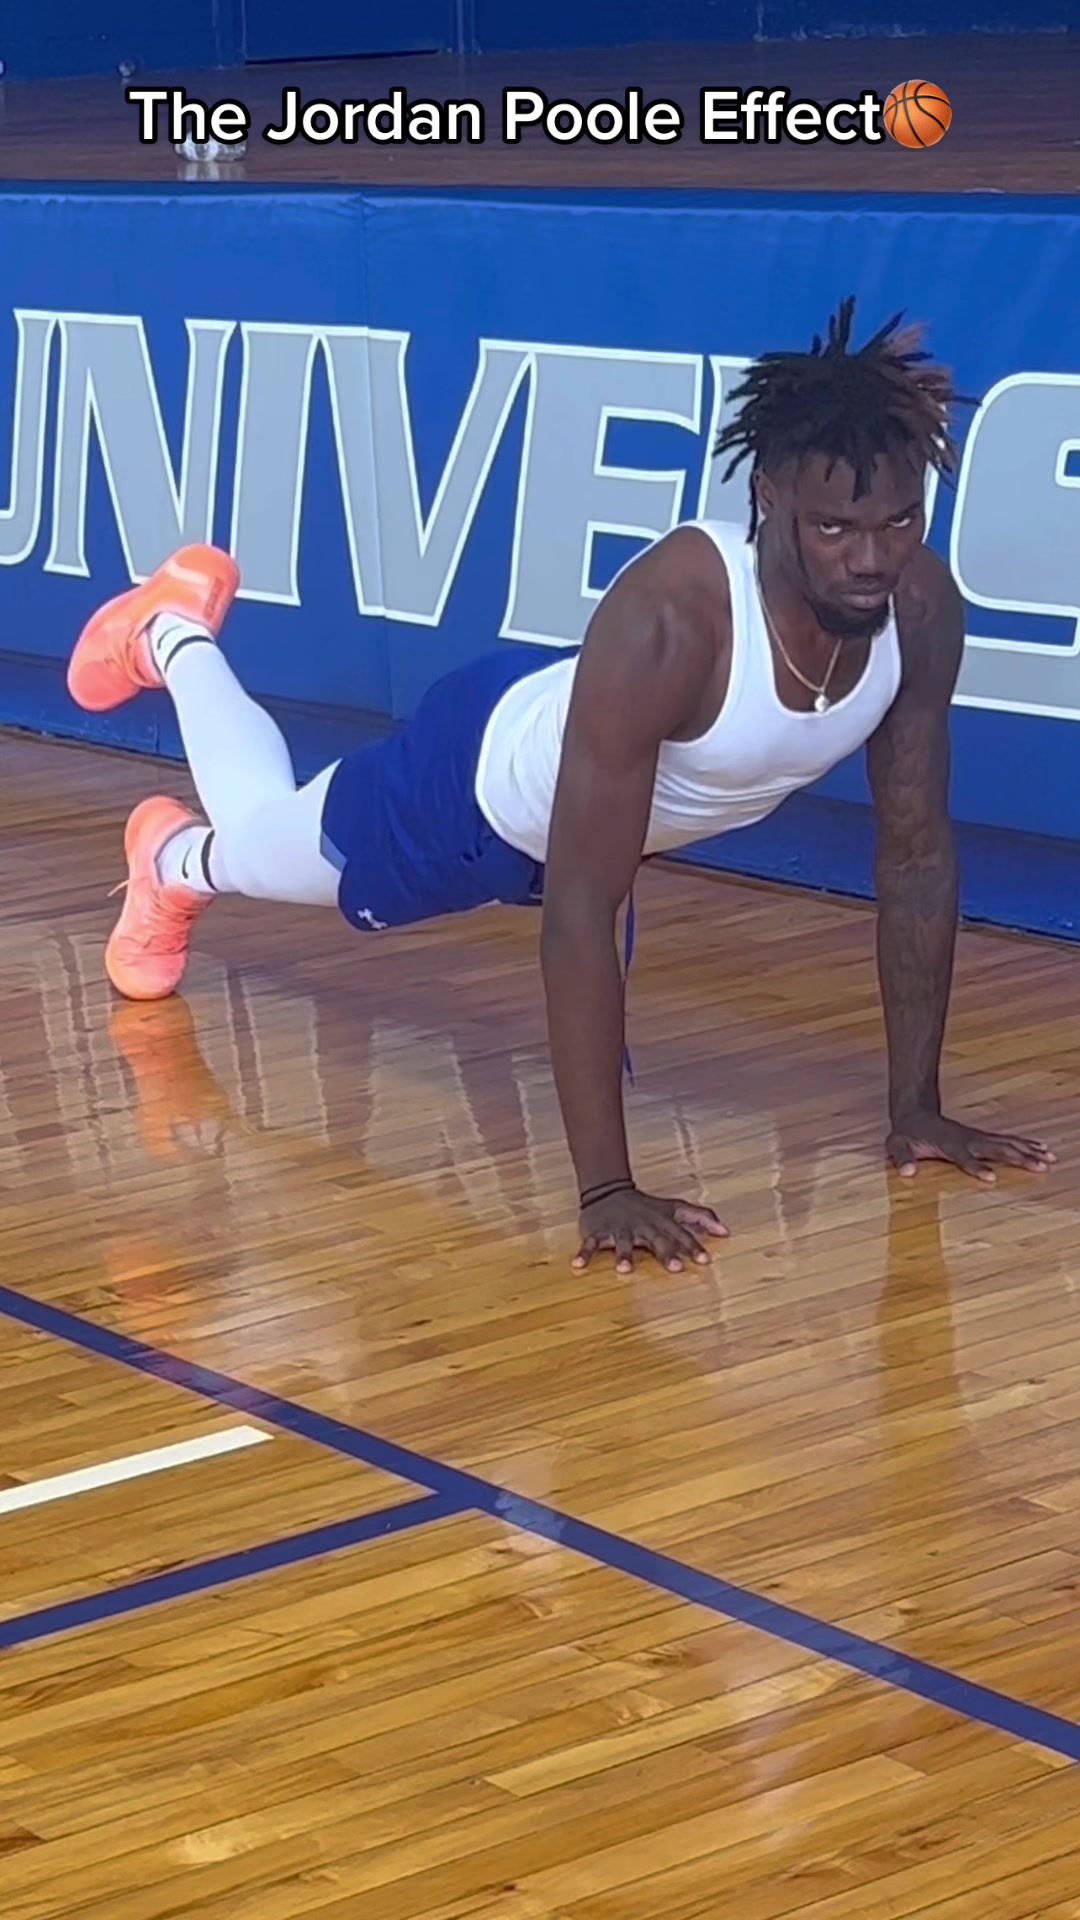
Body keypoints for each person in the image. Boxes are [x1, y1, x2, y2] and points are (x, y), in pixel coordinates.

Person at [67, 297, 1054, 1274]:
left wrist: (917, 1108)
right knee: (253, 838)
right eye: (836, 527)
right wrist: (605, 1188)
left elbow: (916, 857)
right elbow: (584, 910)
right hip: (467, 794)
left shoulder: (918, 606)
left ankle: (176, 801)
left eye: (899, 521)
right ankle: (172, 688)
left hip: (577, 749)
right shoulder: (675, 620)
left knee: (275, 831)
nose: (873, 559)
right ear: (768, 496)